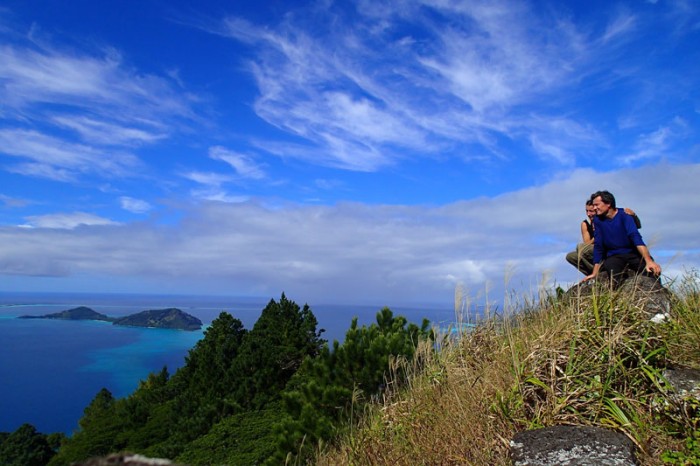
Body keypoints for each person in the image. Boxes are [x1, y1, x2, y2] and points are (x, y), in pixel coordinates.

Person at [582, 190, 661, 285]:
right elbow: (599, 246)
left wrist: (648, 260)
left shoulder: (625, 216)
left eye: (597, 205)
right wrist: (595, 273)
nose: (594, 208)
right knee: (614, 278)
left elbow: (635, 237)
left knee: (651, 274)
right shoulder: (598, 221)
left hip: (633, 254)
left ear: (608, 204)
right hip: (613, 256)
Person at [566, 200, 641, 276]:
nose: (588, 214)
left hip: (612, 249)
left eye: (591, 211)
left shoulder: (607, 217)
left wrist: (633, 215)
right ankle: (598, 272)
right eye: (587, 211)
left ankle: (607, 270)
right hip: (597, 248)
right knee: (572, 256)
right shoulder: (586, 224)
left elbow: (637, 226)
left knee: (581, 248)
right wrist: (597, 235)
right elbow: (586, 244)